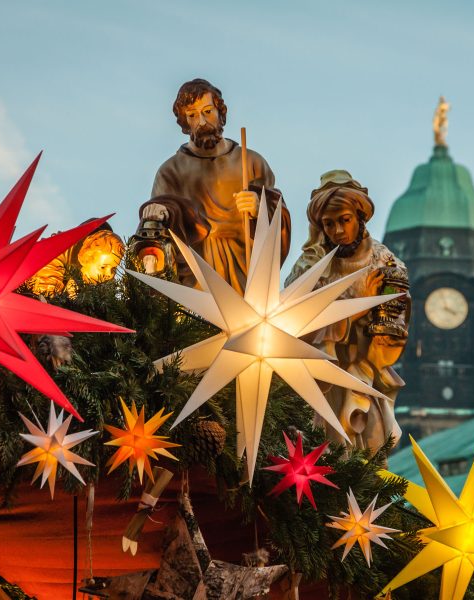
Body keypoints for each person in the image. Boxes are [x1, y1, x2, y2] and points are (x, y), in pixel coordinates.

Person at [285, 170, 410, 450]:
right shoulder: (310, 267)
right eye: (329, 224)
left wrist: (381, 316)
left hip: (363, 372)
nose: (338, 231)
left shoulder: (384, 262)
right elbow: (293, 325)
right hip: (320, 379)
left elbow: (393, 330)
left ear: (360, 218)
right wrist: (360, 304)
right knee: (324, 448)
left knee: (368, 448)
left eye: (345, 221)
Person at [140, 78, 290, 292]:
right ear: (184, 122)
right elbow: (156, 226)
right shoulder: (171, 171)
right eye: (192, 115)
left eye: (208, 111)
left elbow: (279, 217)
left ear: (221, 113)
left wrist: (260, 209)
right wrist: (160, 211)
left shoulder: (251, 162)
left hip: (245, 273)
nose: (201, 121)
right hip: (197, 276)